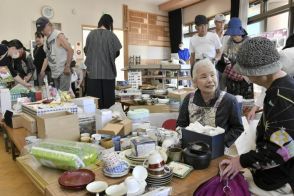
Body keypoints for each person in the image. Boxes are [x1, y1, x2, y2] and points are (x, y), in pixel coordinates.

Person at [219, 37, 294, 195]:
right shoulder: (282, 87)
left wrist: (241, 161)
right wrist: (242, 159)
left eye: (248, 74)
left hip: (279, 180)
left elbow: (279, 152)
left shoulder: (280, 98)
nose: (247, 78)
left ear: (262, 74)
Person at [176, 58, 244, 148]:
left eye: (212, 75)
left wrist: (219, 142)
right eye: (204, 77)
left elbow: (237, 128)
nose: (210, 80)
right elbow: (181, 125)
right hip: (192, 149)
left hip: (219, 150)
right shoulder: (189, 99)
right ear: (195, 82)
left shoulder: (229, 100)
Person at [247, 33, 294, 121]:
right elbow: (270, 83)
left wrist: (255, 108)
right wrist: (255, 108)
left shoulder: (286, 55)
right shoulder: (287, 55)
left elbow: (270, 82)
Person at [84, 14, 122, 109]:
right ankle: (109, 123)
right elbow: (117, 52)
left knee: (94, 104)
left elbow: (86, 51)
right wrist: (108, 57)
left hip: (93, 74)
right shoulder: (112, 36)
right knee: (108, 104)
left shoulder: (91, 34)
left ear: (100, 22)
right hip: (108, 74)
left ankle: (95, 122)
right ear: (110, 24)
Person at [36, 16, 74, 91]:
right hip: (55, 73)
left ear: (48, 25)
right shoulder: (47, 39)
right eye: (40, 30)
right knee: (58, 97)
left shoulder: (59, 36)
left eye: (43, 29)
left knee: (63, 96)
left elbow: (70, 50)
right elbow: (47, 56)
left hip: (63, 71)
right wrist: (42, 70)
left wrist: (67, 66)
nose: (42, 32)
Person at [222, 17, 254, 99]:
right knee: (232, 100)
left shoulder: (249, 42)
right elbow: (226, 56)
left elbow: (252, 61)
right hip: (232, 77)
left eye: (235, 34)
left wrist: (243, 74)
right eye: (232, 34)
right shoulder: (229, 42)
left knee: (245, 102)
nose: (233, 37)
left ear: (241, 31)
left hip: (245, 77)